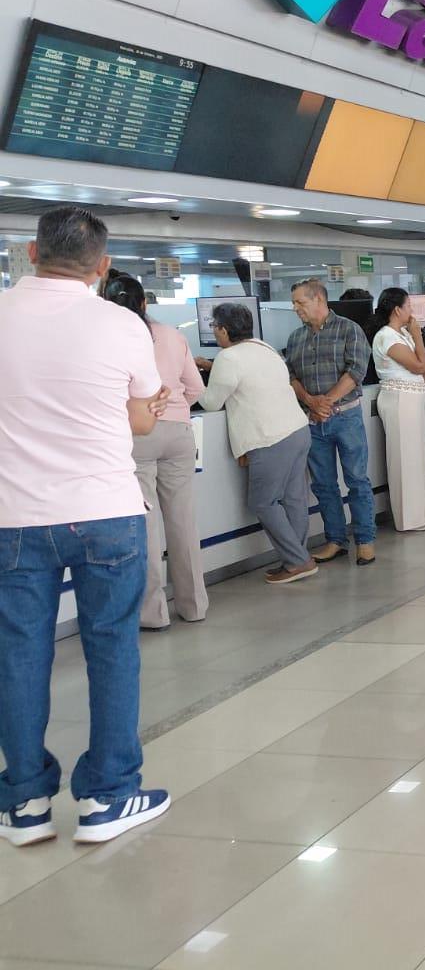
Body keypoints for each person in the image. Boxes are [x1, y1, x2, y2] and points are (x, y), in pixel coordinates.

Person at [0, 206, 172, 846]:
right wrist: (136, 411)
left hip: (14, 517)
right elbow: (143, 418)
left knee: (19, 654)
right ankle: (109, 797)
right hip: (106, 511)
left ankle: (24, 806)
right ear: (102, 267)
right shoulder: (121, 322)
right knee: (112, 648)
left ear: (30, 252)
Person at [105, 275, 206, 628]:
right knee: (182, 520)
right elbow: (195, 387)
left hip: (136, 435)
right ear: (144, 303)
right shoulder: (173, 335)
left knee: (146, 526)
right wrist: (173, 408)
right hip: (179, 432)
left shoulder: (107, 339)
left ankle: (154, 614)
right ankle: (194, 606)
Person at [198, 302, 315, 586]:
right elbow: (250, 375)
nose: (214, 332)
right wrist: (211, 366)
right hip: (298, 430)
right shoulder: (264, 347)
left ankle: (298, 560)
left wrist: (191, 380)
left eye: (214, 327)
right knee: (294, 499)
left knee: (262, 502)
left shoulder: (229, 357)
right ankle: (296, 559)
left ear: (224, 330)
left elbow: (211, 402)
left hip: (270, 437)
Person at [287, 278, 377, 566]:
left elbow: (356, 371)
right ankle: (336, 540)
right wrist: (311, 402)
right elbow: (291, 376)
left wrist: (325, 401)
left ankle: (365, 540)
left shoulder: (350, 330)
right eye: (294, 303)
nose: (295, 308)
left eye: (300, 302)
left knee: (356, 480)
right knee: (324, 485)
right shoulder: (296, 338)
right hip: (314, 422)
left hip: (345, 417)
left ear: (319, 300)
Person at [369, 288, 425, 532]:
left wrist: (414, 337)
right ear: (397, 309)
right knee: (403, 459)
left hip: (410, 400)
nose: (412, 311)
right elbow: (420, 366)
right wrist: (418, 336)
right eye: (409, 306)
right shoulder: (387, 336)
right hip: (398, 400)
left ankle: (422, 513)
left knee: (416, 457)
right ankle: (408, 519)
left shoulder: (401, 334)